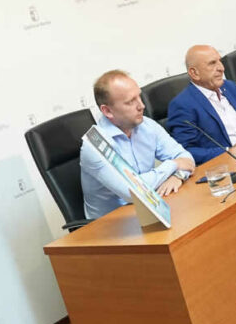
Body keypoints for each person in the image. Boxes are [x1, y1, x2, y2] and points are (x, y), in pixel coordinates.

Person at [80, 70, 195, 220]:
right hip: (112, 224)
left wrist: (178, 176)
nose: (141, 106)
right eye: (130, 102)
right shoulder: (95, 144)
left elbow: (186, 158)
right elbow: (132, 191)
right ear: (107, 111)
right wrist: (174, 164)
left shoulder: (147, 125)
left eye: (139, 97)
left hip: (151, 209)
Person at [167, 45, 236, 164]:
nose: (221, 68)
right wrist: (230, 150)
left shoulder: (230, 87)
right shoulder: (182, 105)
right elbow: (187, 152)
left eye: (220, 61)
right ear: (194, 73)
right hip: (227, 164)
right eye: (212, 63)